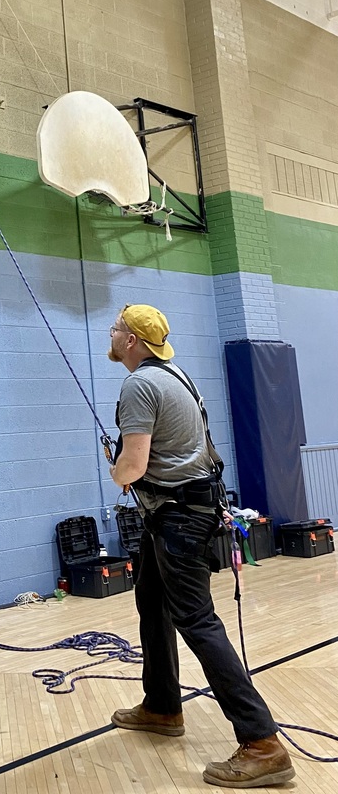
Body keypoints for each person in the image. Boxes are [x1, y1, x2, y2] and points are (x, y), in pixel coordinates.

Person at [107, 304, 294, 789]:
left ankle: (263, 743)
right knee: (151, 599)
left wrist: (117, 471)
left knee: (197, 620)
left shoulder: (139, 386)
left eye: (116, 328)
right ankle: (163, 706)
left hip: (178, 519)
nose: (112, 332)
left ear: (131, 341)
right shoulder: (176, 376)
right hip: (179, 513)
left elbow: (133, 465)